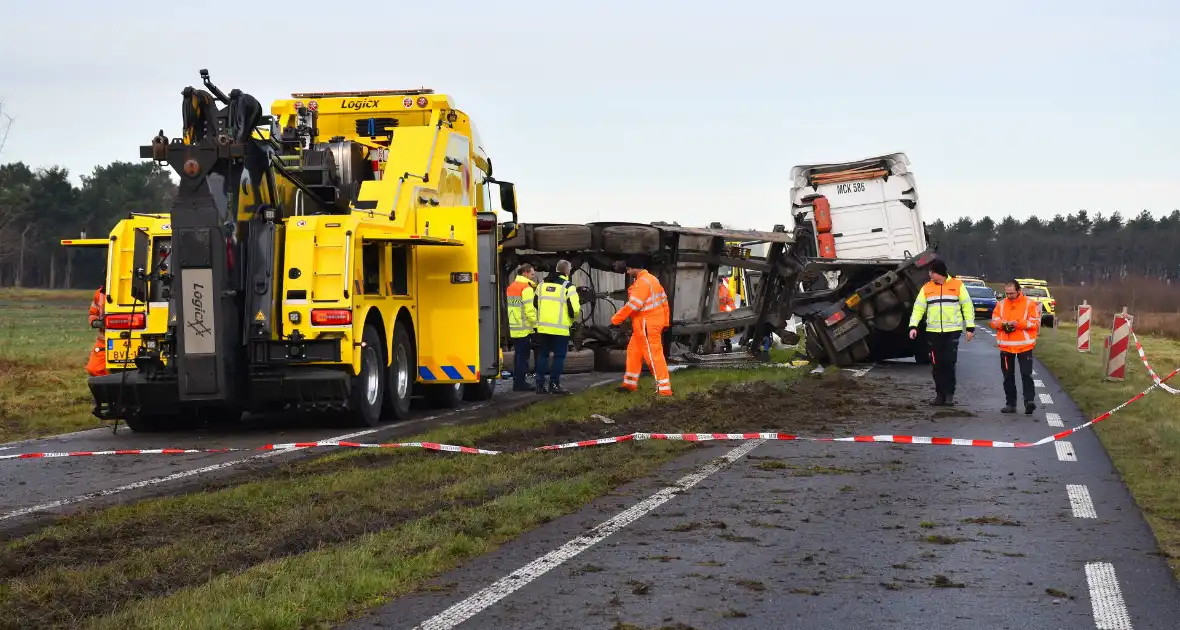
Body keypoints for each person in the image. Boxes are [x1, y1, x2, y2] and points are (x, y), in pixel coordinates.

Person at [908, 259, 974, 406]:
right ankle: (940, 395)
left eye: (932, 272)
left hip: (952, 331)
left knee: (949, 363)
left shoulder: (958, 285)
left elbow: (967, 306)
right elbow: (918, 308)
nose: (930, 275)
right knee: (936, 365)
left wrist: (970, 328)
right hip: (933, 332)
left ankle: (950, 394)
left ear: (940, 273)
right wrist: (913, 326)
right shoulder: (926, 288)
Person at [611, 255, 673, 397]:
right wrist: (665, 322)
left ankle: (664, 389)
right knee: (633, 353)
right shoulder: (652, 279)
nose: (627, 272)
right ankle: (629, 385)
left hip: (646, 324)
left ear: (634, 269)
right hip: (646, 324)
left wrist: (616, 320)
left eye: (628, 269)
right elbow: (664, 301)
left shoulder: (642, 283)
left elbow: (633, 305)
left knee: (653, 356)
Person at [990, 279, 1041, 414]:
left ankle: (1029, 401)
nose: (1009, 296)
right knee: (1008, 376)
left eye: (1012, 293)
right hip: (1006, 347)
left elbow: (1034, 323)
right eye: (1007, 293)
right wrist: (1003, 324)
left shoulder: (1029, 304)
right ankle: (1011, 404)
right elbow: (994, 321)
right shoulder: (1000, 304)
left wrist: (1017, 324)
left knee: (1026, 374)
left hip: (1025, 346)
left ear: (1019, 291)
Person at [533, 259, 582, 395]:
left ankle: (539, 385)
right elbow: (575, 309)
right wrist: (571, 320)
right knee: (559, 357)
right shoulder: (568, 286)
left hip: (543, 328)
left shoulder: (542, 284)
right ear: (567, 271)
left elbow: (535, 303)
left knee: (542, 355)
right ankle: (554, 384)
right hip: (560, 329)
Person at [505, 264, 538, 391]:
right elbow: (529, 310)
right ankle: (520, 384)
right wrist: (536, 325)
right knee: (523, 357)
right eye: (532, 274)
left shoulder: (511, 287)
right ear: (525, 273)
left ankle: (517, 382)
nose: (533, 277)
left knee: (518, 356)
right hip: (524, 328)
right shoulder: (526, 288)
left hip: (514, 326)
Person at [87, 285, 109, 377]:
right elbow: (93, 313)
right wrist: (95, 322)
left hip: (134, 339)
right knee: (94, 369)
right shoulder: (99, 293)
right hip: (104, 340)